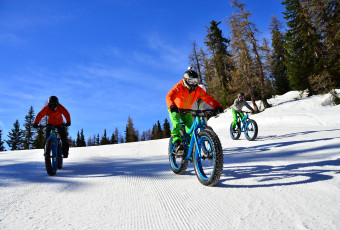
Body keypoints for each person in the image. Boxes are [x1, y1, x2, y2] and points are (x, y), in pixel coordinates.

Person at [166, 67, 223, 155]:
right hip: (175, 109)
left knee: (191, 129)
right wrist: (172, 106)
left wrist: (217, 106)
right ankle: (177, 143)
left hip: (188, 110)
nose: (193, 84)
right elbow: (169, 96)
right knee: (176, 124)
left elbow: (207, 98)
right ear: (185, 80)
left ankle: (189, 148)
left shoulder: (198, 90)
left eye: (195, 81)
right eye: (191, 81)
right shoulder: (179, 87)